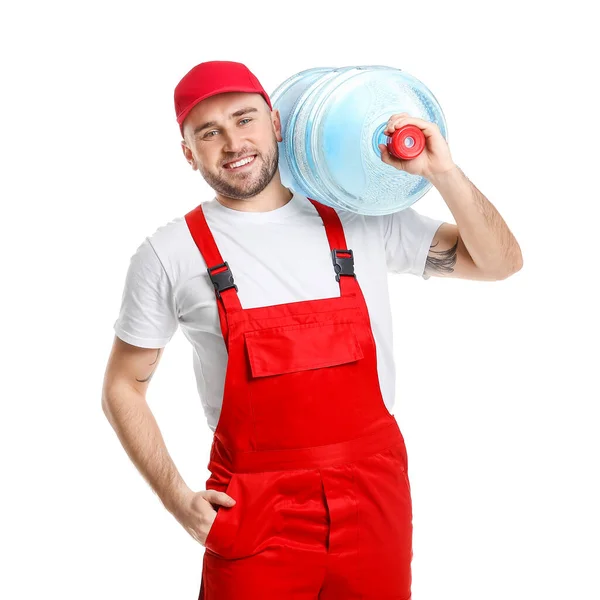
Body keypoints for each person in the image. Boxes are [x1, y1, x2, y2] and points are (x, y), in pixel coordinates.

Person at [102, 60, 523, 599]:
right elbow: (123, 384)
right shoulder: (170, 254)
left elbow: (500, 263)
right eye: (210, 132)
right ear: (189, 153)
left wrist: (444, 172)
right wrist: (176, 498)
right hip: (254, 510)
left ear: (276, 122)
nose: (234, 142)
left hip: (374, 501)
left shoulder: (359, 217)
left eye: (245, 119)